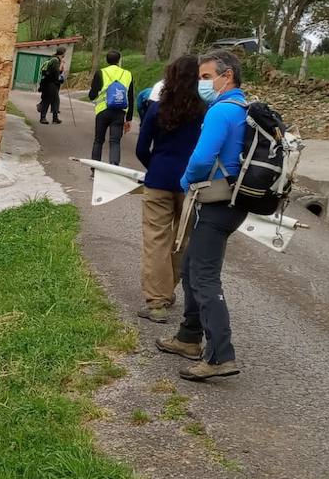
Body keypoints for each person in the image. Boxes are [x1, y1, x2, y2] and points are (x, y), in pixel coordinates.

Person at [156, 51, 248, 381]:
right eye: (200, 77)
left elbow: (201, 159)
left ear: (228, 77)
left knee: (205, 277)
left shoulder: (222, 111)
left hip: (216, 202)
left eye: (207, 77)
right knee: (193, 267)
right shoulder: (243, 108)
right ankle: (188, 338)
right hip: (233, 201)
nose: (201, 83)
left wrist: (185, 183)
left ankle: (220, 355)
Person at [134, 54, 204, 324]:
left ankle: (156, 301)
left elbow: (142, 148)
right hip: (192, 184)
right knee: (182, 241)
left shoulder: (157, 108)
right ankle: (169, 289)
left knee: (155, 240)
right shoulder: (205, 111)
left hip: (159, 180)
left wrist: (155, 166)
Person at [88, 50, 134, 164]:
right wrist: (128, 119)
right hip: (120, 111)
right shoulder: (128, 74)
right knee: (115, 141)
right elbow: (131, 97)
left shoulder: (101, 72)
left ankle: (95, 168)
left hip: (103, 110)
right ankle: (113, 166)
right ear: (119, 60)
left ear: (107, 60)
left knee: (98, 140)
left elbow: (92, 95)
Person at [37, 47, 65, 124]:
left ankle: (55, 118)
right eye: (64, 53)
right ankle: (43, 118)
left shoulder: (53, 59)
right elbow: (57, 73)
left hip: (50, 83)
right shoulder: (55, 61)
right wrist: (62, 65)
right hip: (50, 84)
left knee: (55, 101)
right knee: (47, 100)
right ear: (62, 54)